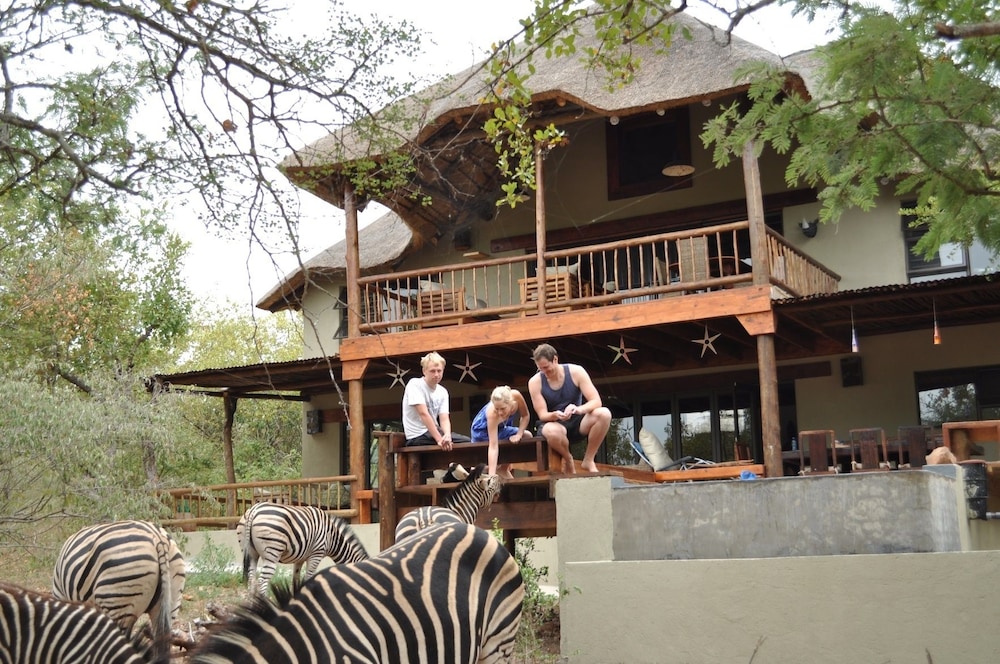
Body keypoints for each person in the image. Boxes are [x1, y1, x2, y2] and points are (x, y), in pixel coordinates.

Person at [527, 343, 612, 474]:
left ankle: (588, 460)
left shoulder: (576, 372)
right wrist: (555, 415)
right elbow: (542, 414)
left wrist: (578, 409)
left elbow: (596, 401)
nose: (544, 372)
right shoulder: (534, 382)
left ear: (555, 359)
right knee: (551, 431)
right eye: (540, 369)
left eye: (547, 368)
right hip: (553, 424)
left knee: (604, 414)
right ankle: (568, 458)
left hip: (577, 421)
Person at [402, 351, 471, 449]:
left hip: (434, 433)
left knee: (467, 441)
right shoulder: (415, 384)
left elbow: (444, 418)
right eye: (432, 371)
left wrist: (447, 436)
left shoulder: (443, 391)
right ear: (424, 371)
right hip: (417, 435)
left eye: (439, 371)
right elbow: (423, 414)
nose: (436, 374)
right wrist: (439, 440)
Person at [471, 385, 531, 479]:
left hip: (502, 427)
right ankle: (489, 469)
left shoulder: (516, 396)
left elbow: (525, 416)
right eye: (497, 408)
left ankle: (503, 468)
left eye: (503, 408)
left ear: (511, 403)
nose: (500, 412)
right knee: (495, 451)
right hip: (482, 431)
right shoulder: (492, 413)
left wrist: (519, 434)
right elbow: (493, 446)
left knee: (527, 435)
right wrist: (492, 475)